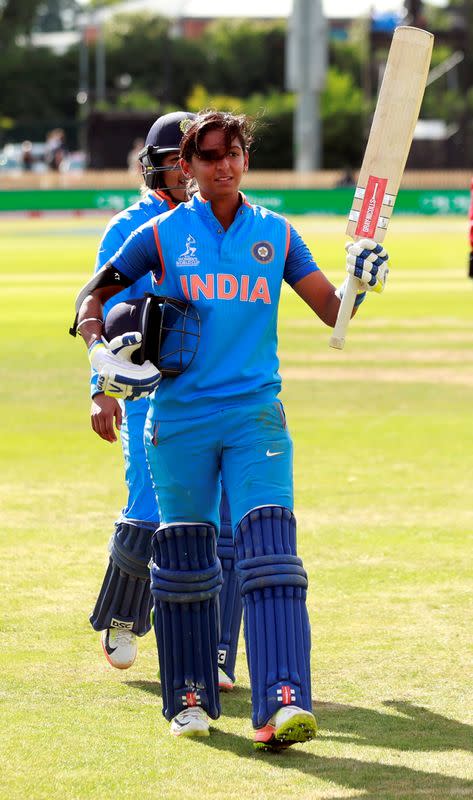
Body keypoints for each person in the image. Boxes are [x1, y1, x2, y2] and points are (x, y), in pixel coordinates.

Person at [73, 110, 389, 750]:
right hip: (180, 420)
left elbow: (334, 313)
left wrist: (361, 278)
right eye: (210, 155)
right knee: (187, 564)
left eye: (234, 153)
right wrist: (99, 352)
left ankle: (283, 702)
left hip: (255, 416)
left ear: (246, 159)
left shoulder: (276, 232)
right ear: (186, 167)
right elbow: (93, 297)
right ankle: (189, 695)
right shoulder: (160, 235)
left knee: (271, 552)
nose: (224, 164)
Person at [85, 111, 242, 692]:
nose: (188, 171)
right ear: (159, 167)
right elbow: (98, 306)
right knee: (149, 505)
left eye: (191, 160)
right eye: (178, 161)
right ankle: (124, 616)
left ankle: (214, 649)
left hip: (211, 388)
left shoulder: (212, 222)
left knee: (220, 517)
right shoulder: (132, 225)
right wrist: (100, 389)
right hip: (147, 391)